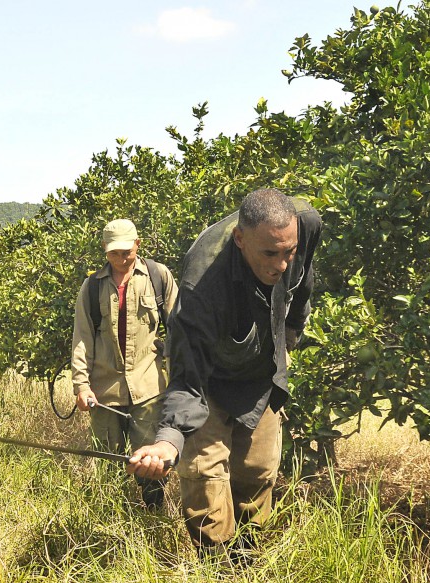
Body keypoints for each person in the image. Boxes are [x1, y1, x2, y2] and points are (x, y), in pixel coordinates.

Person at [127, 189, 322, 559]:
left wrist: (291, 332)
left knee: (257, 473)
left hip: (262, 374)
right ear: (240, 238)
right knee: (204, 479)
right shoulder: (201, 287)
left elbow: (302, 285)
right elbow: (187, 378)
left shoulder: (306, 225)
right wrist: (168, 441)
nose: (281, 265)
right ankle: (218, 576)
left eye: (288, 252)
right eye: (269, 253)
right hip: (209, 381)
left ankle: (248, 562)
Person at [71, 218, 178, 508]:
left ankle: (154, 518)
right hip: (105, 392)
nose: (120, 259)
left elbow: (181, 329)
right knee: (107, 463)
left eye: (126, 252)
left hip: (148, 388)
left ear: (137, 245)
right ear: (105, 250)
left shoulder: (158, 276)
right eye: (113, 253)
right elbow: (82, 338)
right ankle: (112, 520)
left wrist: (182, 378)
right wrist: (81, 385)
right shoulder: (92, 287)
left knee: (152, 466)